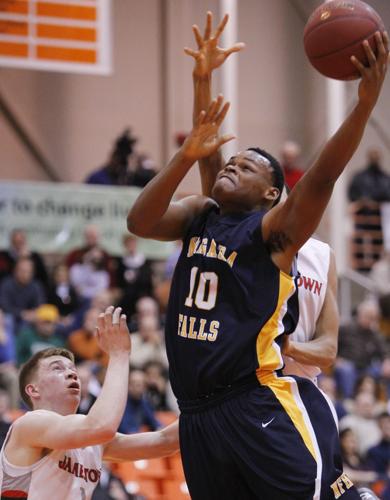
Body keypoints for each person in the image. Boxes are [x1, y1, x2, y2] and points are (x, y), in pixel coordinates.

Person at [127, 6, 388, 496]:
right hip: (198, 415)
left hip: (255, 402)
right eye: (232, 162)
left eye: (247, 168)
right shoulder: (200, 214)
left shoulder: (272, 234)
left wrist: (364, 104)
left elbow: (324, 176)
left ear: (271, 194)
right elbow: (139, 219)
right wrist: (190, 138)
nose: (233, 167)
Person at [0, 306, 179, 499]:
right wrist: (119, 355)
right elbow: (101, 426)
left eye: (72, 368)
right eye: (57, 368)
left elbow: (165, 442)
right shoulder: (29, 425)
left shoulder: (92, 443)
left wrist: (205, 400)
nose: (71, 372)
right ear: (33, 390)